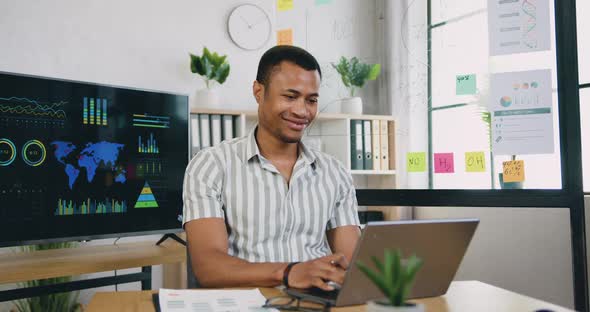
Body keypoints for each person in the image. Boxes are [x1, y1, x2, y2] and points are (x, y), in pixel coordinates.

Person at [183, 45, 360, 291]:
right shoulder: (211, 165)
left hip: (316, 302)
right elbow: (209, 268)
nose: (301, 111)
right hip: (246, 304)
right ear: (258, 91)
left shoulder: (335, 173)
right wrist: (289, 273)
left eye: (311, 100)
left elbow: (352, 265)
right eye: (290, 96)